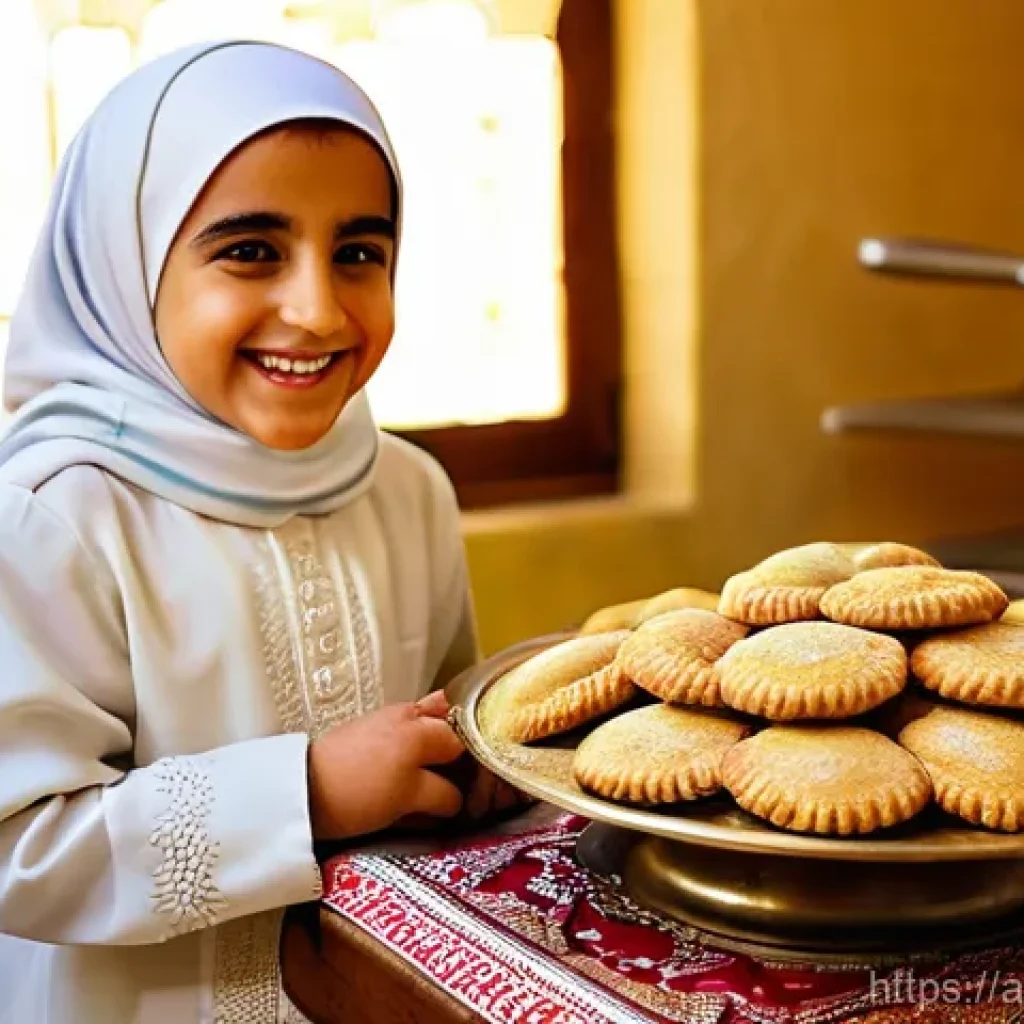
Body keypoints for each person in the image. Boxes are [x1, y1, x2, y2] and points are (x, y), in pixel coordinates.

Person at [0, 38, 518, 1023]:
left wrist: (482, 763)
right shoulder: (54, 517)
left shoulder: (405, 489)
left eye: (359, 252)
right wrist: (307, 791)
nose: (317, 309)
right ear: (126, 263)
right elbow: (18, 850)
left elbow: (438, 742)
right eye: (250, 249)